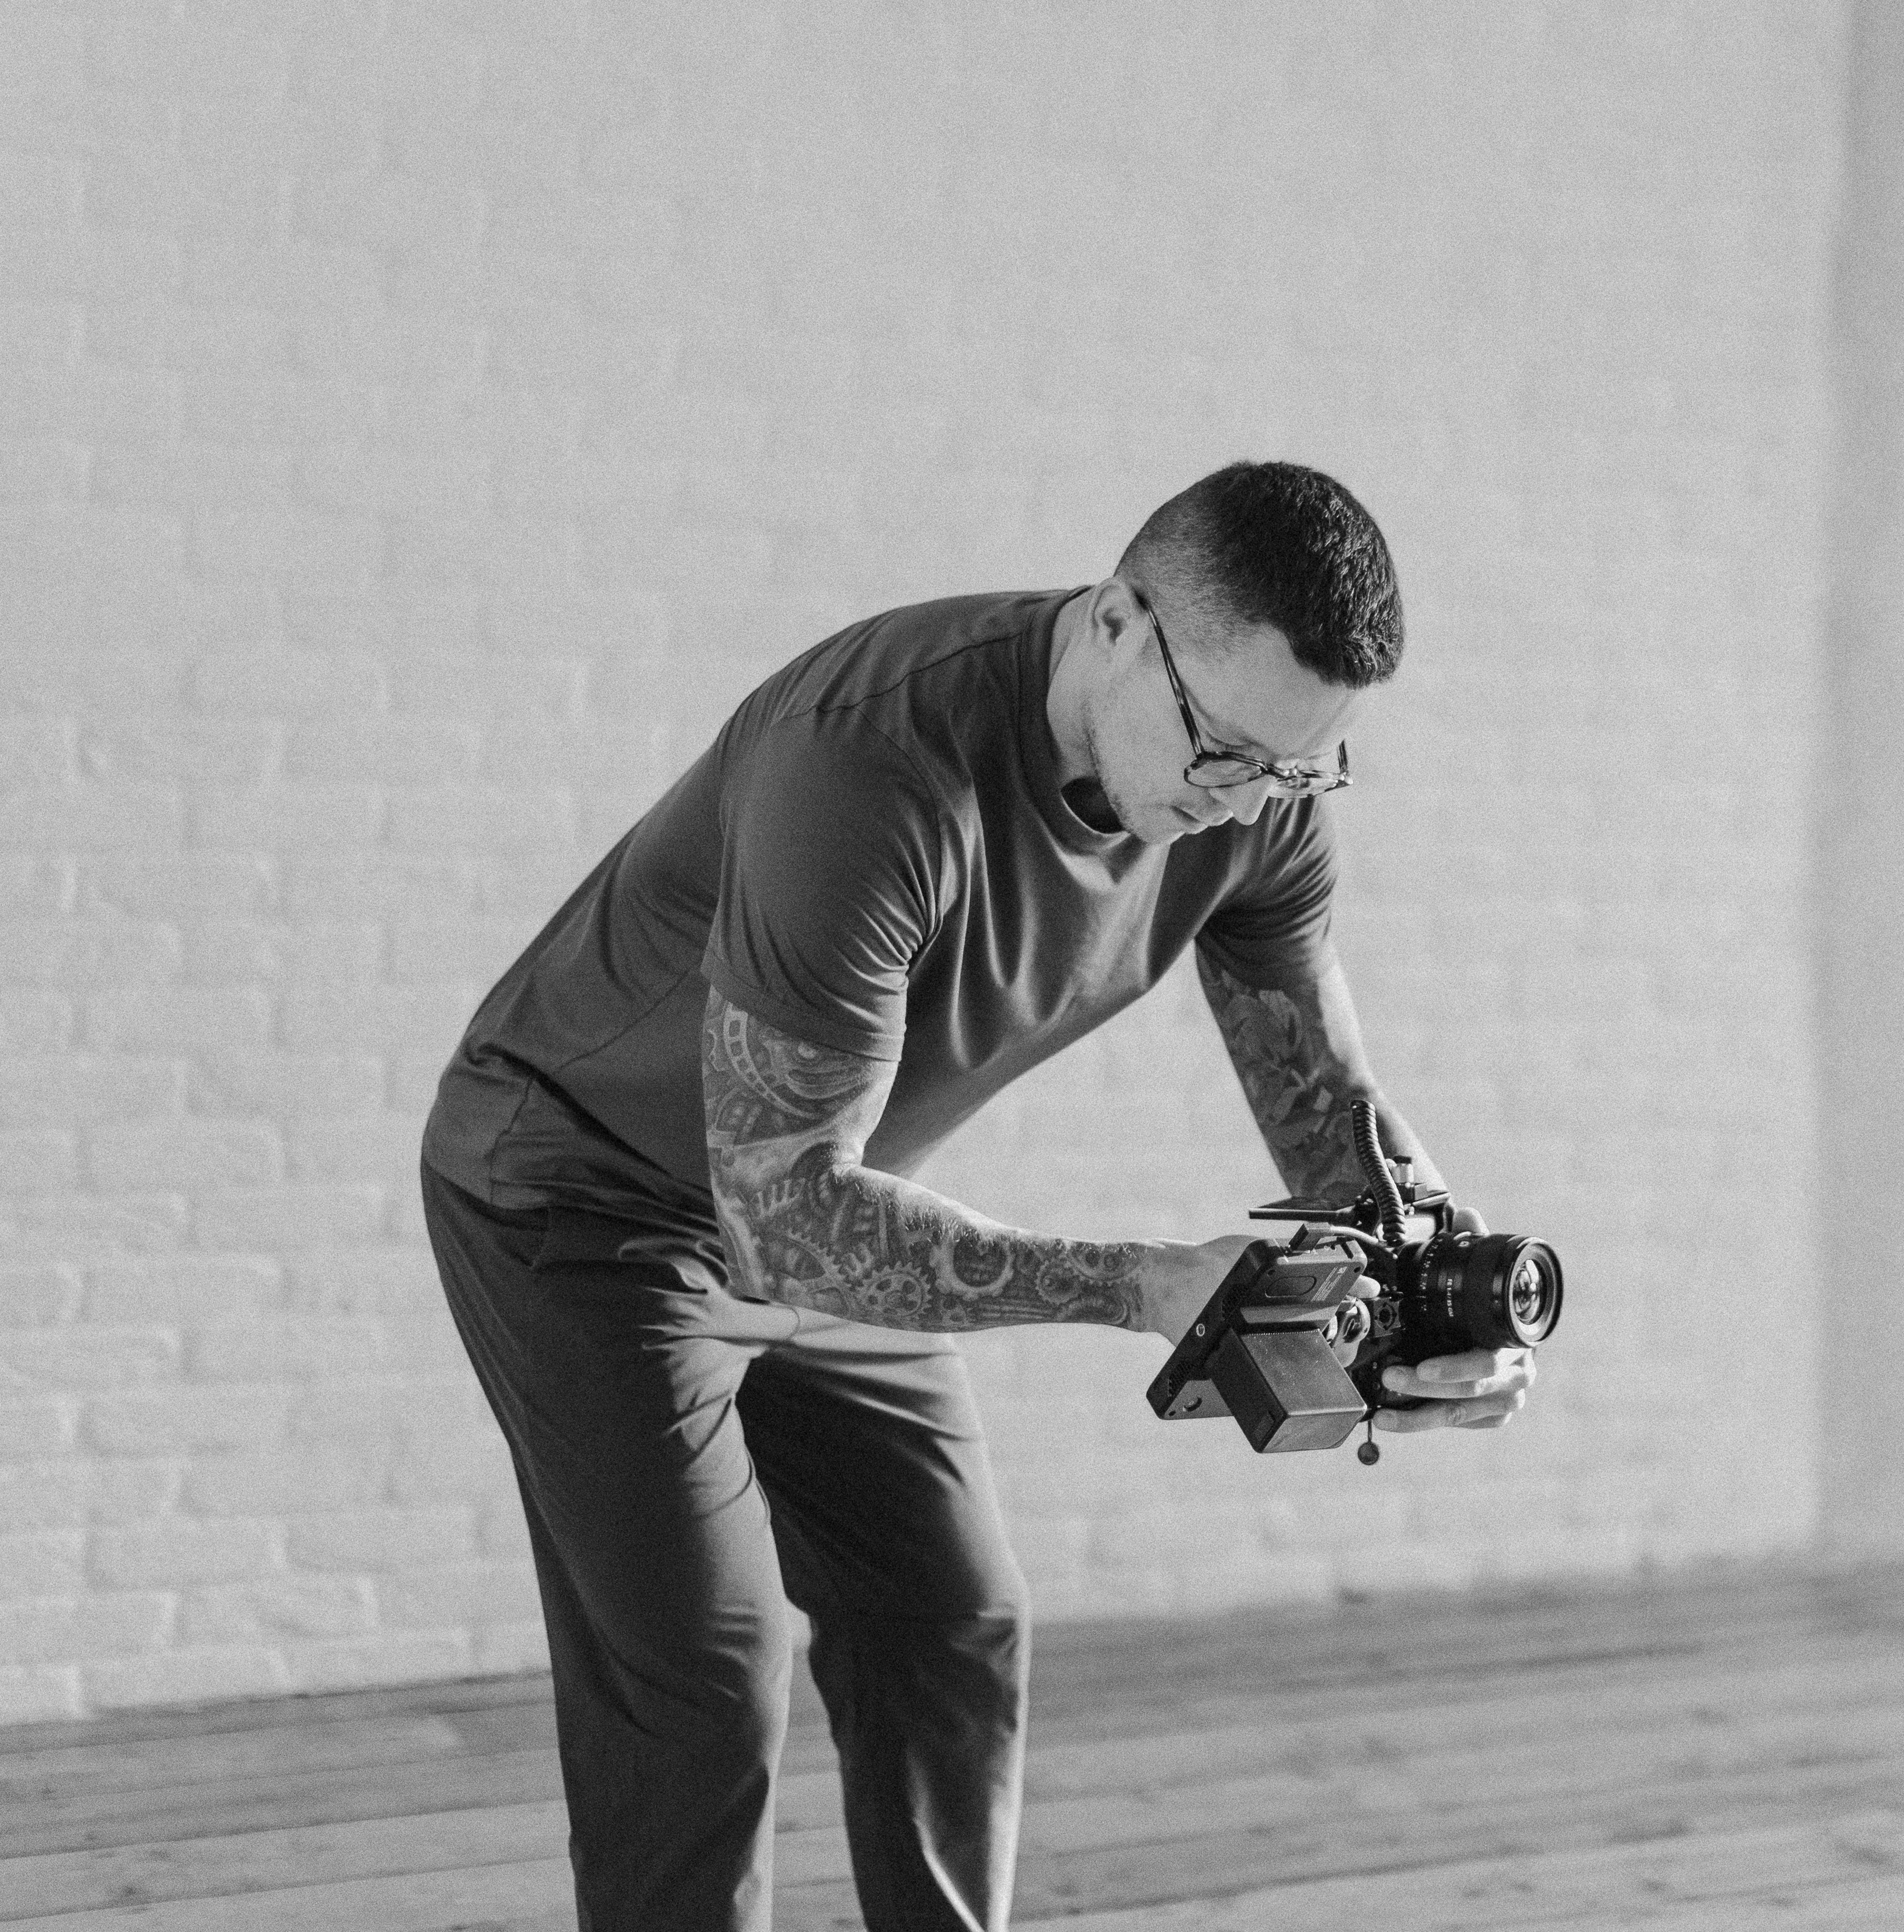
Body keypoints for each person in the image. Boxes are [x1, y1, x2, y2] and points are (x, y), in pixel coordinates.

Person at [416, 461, 1537, 1932]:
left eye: (1293, 767)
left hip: (824, 1203)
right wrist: (1144, 1284)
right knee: (703, 1665)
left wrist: (1447, 1291)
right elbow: (782, 1217)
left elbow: (1329, 1110)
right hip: (582, 1192)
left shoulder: (1255, 800)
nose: (1241, 799)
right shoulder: (866, 767)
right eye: (1220, 749)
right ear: (1117, 622)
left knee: (952, 1616)